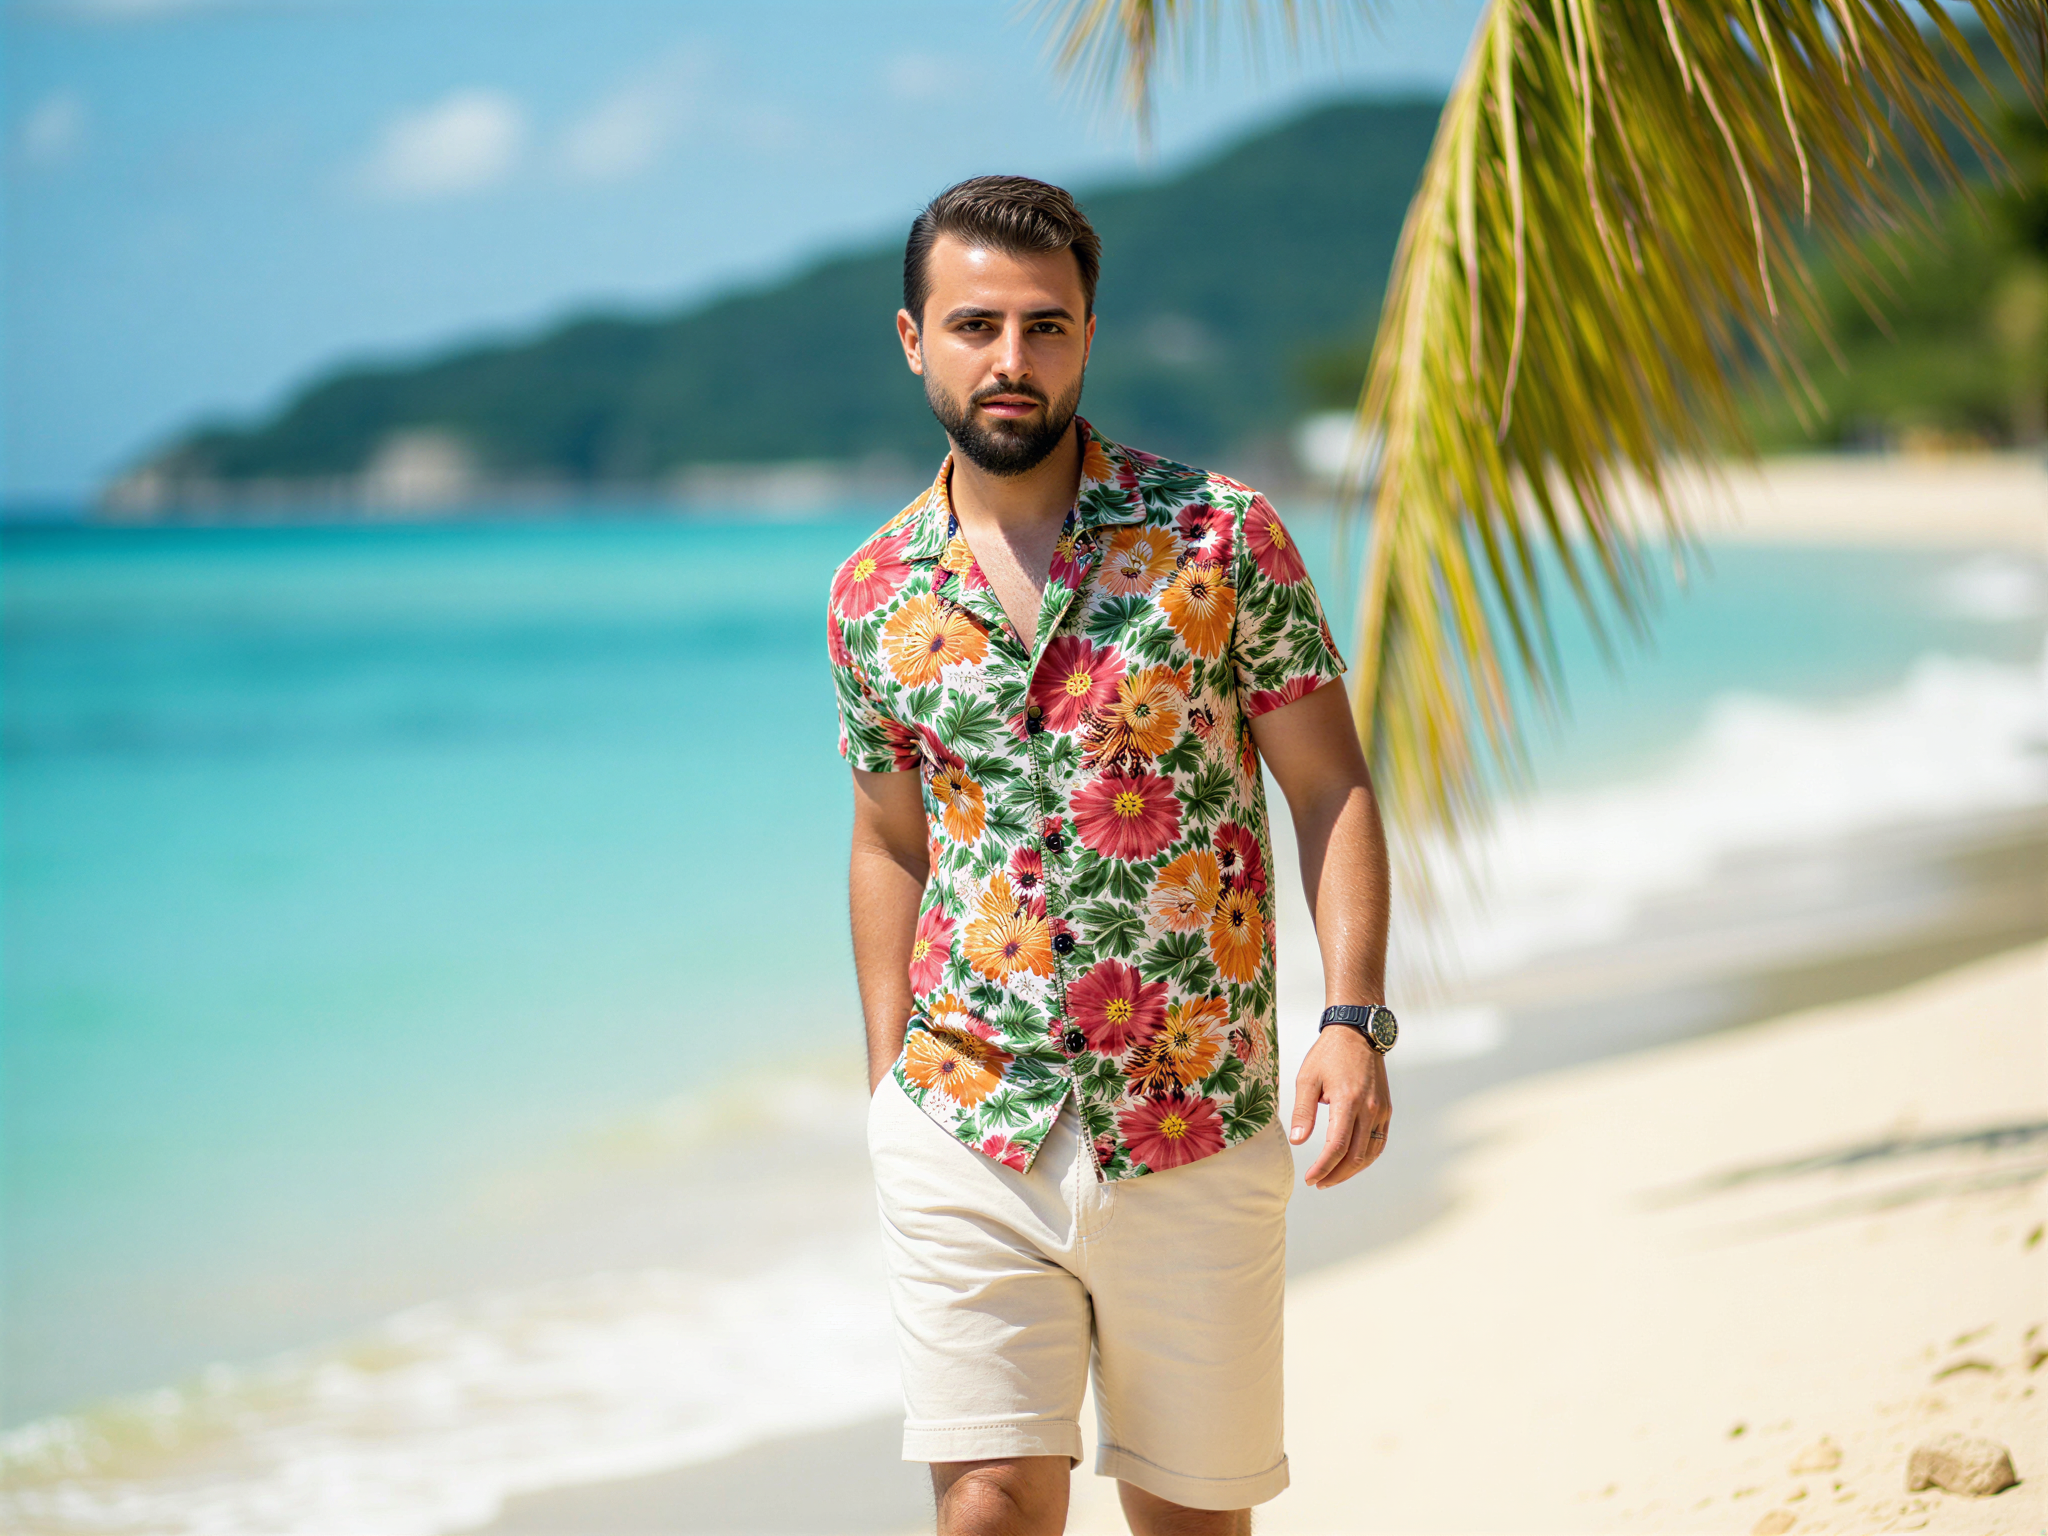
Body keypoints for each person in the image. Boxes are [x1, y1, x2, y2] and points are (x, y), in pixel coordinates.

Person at [826, 174, 1395, 1536]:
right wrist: (887, 1083)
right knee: (987, 1504)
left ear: (1089, 333)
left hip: (1192, 1115)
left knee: (1188, 1519)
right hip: (965, 1121)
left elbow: (1330, 787)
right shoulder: (870, 594)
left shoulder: (1222, 536)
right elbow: (890, 843)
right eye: (973, 327)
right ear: (914, 341)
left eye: (1045, 327)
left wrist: (1353, 1018)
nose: (1010, 362)